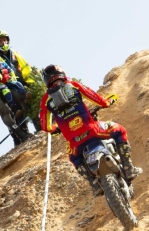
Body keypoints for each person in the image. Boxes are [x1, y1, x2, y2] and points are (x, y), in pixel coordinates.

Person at [39, 65, 142, 193]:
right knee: (120, 130)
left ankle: (94, 184)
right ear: (62, 74)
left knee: (74, 159)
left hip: (75, 142)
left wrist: (55, 128)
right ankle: (128, 167)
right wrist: (107, 102)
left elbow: (45, 126)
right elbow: (98, 100)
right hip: (94, 131)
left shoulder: (45, 101)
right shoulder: (73, 85)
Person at [0, 46, 28, 118]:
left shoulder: (3, 64)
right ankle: (14, 108)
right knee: (6, 91)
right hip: (0, 83)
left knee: (18, 83)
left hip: (9, 80)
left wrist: (12, 77)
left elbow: (10, 70)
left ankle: (25, 96)